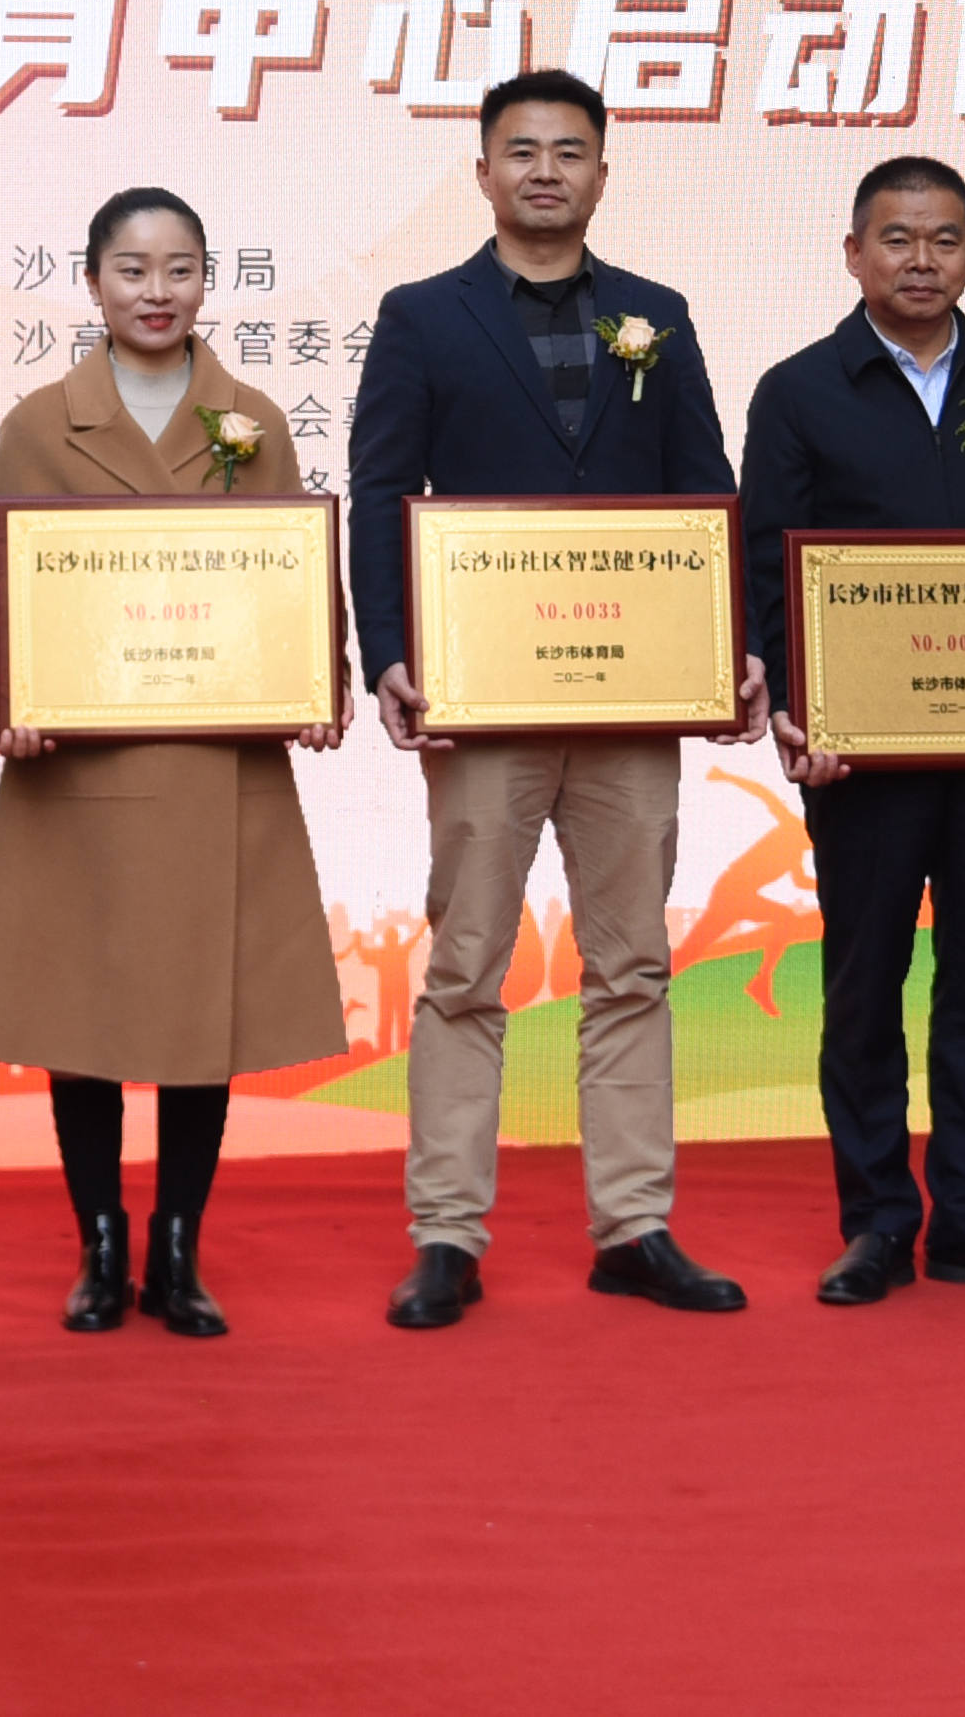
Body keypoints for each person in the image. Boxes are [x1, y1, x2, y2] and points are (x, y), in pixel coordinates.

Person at [347, 68, 753, 1331]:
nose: (543, 170)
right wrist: (388, 650)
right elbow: (380, 488)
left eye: (567, 150)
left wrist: (730, 646)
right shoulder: (422, 315)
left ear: (600, 173)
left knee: (631, 962)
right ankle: (445, 1234)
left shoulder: (656, 316)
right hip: (483, 699)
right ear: (481, 170)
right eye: (519, 149)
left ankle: (632, 1225)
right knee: (465, 962)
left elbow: (704, 490)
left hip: (631, 701)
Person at [0, 188, 348, 1339]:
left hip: (214, 763)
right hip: (78, 769)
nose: (156, 290)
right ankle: (99, 1244)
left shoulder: (252, 419)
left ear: (205, 280)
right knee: (79, 1011)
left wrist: (315, 678)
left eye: (178, 268)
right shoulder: (41, 421)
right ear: (92, 281)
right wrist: (12, 691)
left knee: (199, 1012)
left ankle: (178, 1246)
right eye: (132, 269)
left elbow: (294, 571)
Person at [738, 155, 965, 1309]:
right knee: (865, 980)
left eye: (943, 238)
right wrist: (793, 708)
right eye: (895, 237)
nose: (920, 259)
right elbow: (766, 569)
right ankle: (877, 1221)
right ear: (853, 252)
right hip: (862, 753)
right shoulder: (798, 389)